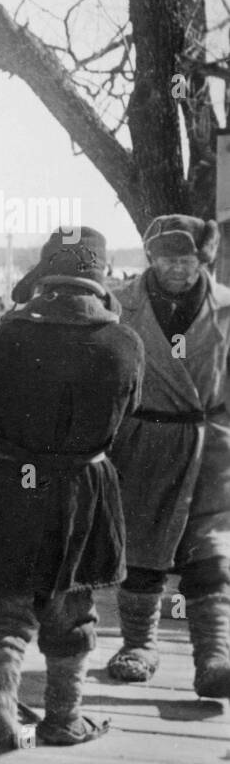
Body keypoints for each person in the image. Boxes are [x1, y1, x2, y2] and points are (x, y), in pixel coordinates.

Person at [0, 227, 144, 759]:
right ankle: (64, 719)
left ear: (45, 274)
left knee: (2, 608)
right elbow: (124, 421)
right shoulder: (125, 342)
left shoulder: (4, 339)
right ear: (98, 279)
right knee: (72, 604)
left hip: (7, 483)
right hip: (84, 488)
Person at [105, 216, 230, 700]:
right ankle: (139, 646)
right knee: (142, 545)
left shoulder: (225, 307)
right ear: (149, 258)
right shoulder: (120, 304)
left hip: (212, 443)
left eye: (185, 260)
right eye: (164, 259)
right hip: (145, 438)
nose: (175, 269)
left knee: (211, 548)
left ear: (204, 260)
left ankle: (214, 657)